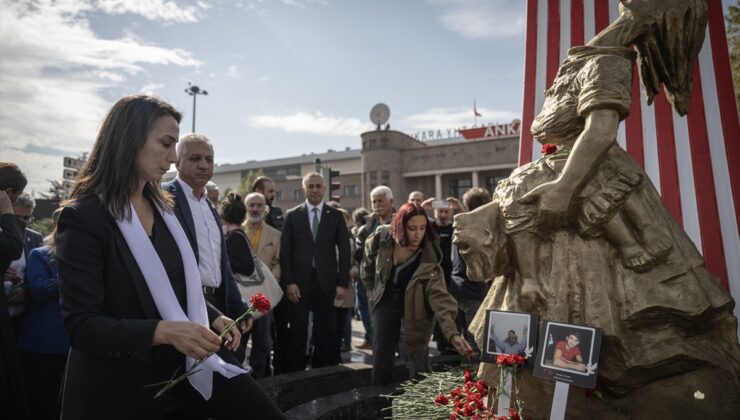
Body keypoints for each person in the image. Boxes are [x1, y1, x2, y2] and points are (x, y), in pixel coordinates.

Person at [459, 0, 740, 398]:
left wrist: (565, 188)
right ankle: (535, 395)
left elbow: (600, 132)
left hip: (585, 182)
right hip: (559, 181)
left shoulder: (608, 61)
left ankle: (581, 395)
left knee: (604, 319)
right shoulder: (587, 56)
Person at [55, 94, 284, 419]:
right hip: (122, 385)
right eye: (165, 143)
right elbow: (81, 326)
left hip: (185, 366)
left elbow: (171, 284)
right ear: (129, 139)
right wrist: (163, 331)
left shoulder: (166, 209)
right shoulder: (84, 218)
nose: (174, 158)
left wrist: (211, 314)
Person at [361, 203, 472, 385]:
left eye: (422, 228)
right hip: (385, 301)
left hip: (415, 306)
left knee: (417, 352)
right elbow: (367, 257)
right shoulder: (385, 238)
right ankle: (380, 399)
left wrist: (452, 333)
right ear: (400, 227)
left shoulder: (428, 255)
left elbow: (439, 297)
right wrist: (367, 285)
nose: (417, 234)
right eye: (412, 228)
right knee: (381, 354)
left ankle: (422, 398)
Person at [163, 134, 249, 329]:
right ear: (178, 162)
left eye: (209, 159)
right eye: (195, 159)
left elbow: (222, 264)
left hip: (217, 304)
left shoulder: (209, 207)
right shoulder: (165, 199)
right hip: (182, 306)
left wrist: (239, 308)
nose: (204, 165)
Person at [275, 172, 351, 372]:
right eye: (311, 186)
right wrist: (289, 282)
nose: (315, 190)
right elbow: (285, 252)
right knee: (298, 332)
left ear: (324, 189)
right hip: (298, 285)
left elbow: (345, 251)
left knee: (324, 331)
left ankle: (321, 373)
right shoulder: (293, 215)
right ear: (304, 189)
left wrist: (342, 283)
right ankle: (297, 374)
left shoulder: (335, 216)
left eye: (318, 186)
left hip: (326, 283)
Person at [17, 208, 68, 420]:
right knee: (40, 404)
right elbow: (38, 291)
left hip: (72, 346)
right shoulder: (40, 254)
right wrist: (68, 274)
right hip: (42, 345)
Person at [0, 162, 31, 420]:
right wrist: (8, 215)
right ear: (8, 193)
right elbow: (11, 247)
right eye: (15, 198)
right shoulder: (7, 219)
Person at [241, 192, 281, 377]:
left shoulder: (276, 235)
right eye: (251, 205)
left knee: (262, 344)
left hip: (265, 299)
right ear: (246, 207)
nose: (255, 209)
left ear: (266, 209)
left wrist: (267, 287)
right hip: (241, 299)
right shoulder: (236, 232)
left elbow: (278, 263)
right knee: (239, 342)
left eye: (259, 205)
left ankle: (261, 380)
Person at [353, 186, 395, 349]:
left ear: (391, 202)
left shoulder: (401, 222)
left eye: (380, 201)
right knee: (370, 313)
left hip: (393, 279)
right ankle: (373, 340)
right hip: (371, 280)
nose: (377, 205)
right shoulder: (366, 228)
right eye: (374, 202)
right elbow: (358, 254)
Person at [5, 193, 43, 334]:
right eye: (16, 217)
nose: (21, 222)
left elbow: (39, 274)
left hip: (23, 316)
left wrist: (25, 291)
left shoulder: (35, 238)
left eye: (26, 218)